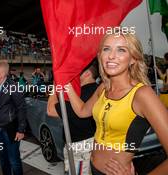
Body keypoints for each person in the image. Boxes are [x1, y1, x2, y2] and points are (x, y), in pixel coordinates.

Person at [66, 31, 168, 174]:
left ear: (133, 58)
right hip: (91, 168)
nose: (111, 56)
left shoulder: (142, 94)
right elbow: (82, 111)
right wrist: (66, 83)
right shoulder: (103, 87)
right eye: (106, 49)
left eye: (121, 50)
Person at [47, 60, 98, 175]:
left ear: (87, 74)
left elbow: (50, 110)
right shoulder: (95, 90)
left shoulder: (85, 94)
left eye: (77, 71)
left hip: (81, 148)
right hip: (84, 145)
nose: (73, 74)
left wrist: (56, 83)